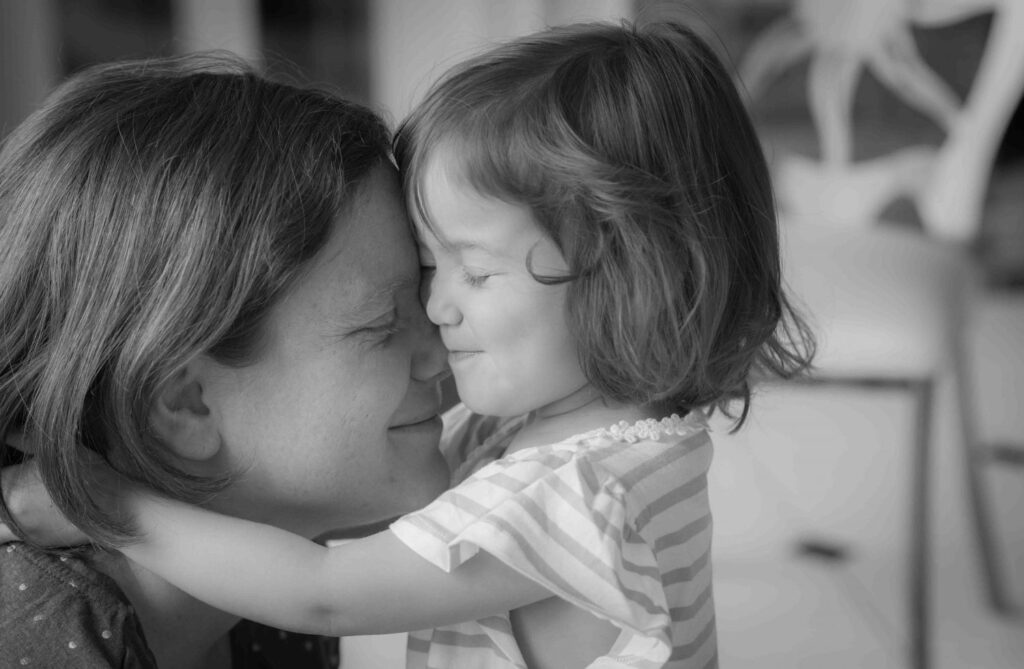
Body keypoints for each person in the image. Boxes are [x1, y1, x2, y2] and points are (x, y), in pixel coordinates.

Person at [56, 20, 816, 669]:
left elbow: (322, 591)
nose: (436, 307)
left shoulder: (580, 493)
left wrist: (99, 499)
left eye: (476, 272)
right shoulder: (601, 441)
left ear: (634, 275)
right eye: (429, 266)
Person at [0, 54, 451, 668]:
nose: (440, 355)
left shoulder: (264, 620)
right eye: (382, 325)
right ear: (184, 403)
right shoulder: (30, 638)